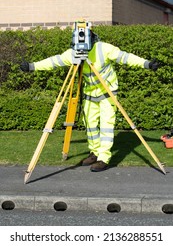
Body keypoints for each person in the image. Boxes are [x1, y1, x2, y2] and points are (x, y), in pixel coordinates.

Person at [20, 21, 159, 172]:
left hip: (108, 93)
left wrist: (146, 64)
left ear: (91, 35)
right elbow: (55, 61)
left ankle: (103, 158)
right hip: (90, 94)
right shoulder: (74, 53)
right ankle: (94, 152)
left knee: (106, 126)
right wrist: (32, 66)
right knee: (90, 125)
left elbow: (125, 57)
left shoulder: (103, 48)